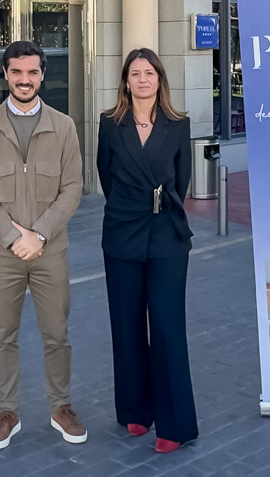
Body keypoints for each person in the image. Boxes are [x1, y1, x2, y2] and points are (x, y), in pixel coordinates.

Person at [0, 40, 86, 451]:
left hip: (50, 252)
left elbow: (73, 188)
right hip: (2, 255)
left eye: (32, 72)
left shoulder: (64, 126)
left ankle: (61, 407)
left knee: (57, 333)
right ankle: (7, 411)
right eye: (17, 72)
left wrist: (40, 235)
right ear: (6, 74)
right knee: (4, 334)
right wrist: (14, 238)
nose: (24, 79)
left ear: (42, 75)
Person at [96, 48, 198, 454]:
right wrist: (131, 208)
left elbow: (183, 181)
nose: (142, 79)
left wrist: (156, 209)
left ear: (159, 80)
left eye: (149, 73)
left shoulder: (178, 124)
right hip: (122, 232)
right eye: (135, 73)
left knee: (168, 328)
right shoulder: (109, 124)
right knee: (126, 324)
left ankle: (174, 424)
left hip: (167, 235)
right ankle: (136, 410)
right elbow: (106, 177)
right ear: (126, 81)